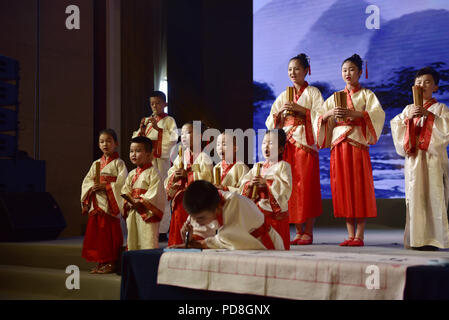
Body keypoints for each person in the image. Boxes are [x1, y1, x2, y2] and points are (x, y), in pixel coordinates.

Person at [316, 54, 385, 247]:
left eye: (352, 69)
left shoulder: (366, 95)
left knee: (359, 188)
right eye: (345, 70)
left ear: (360, 73)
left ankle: (360, 235)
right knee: (343, 188)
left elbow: (377, 115)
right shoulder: (335, 97)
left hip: (356, 144)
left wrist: (355, 114)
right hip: (339, 146)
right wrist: (330, 114)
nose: (348, 73)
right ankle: (349, 234)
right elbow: (320, 118)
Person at [266, 53, 323, 245]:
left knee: (306, 187)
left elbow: (321, 116)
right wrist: (280, 114)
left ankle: (308, 231)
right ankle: (297, 230)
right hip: (288, 144)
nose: (293, 72)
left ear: (306, 71)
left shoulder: (313, 92)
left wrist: (303, 111)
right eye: (290, 69)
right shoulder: (284, 95)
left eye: (297, 68)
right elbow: (271, 120)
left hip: (305, 143)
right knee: (290, 187)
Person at [390, 67, 449, 250]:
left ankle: (436, 239)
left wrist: (429, 117)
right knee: (415, 198)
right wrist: (408, 120)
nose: (422, 85)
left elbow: (445, 131)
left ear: (436, 87)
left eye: (427, 82)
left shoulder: (441, 108)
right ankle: (417, 239)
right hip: (415, 161)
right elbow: (396, 126)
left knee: (435, 196)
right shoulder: (408, 109)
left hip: (433, 160)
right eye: (418, 82)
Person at [172, 180, 284, 250]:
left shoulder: (234, 201)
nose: (196, 222)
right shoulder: (205, 204)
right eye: (193, 218)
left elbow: (231, 237)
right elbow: (200, 232)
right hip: (245, 245)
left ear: (217, 209)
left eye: (200, 218)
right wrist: (191, 239)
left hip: (262, 243)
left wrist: (199, 244)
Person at [132, 91, 178, 239]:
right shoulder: (147, 120)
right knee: (146, 191)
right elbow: (138, 140)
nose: (155, 106)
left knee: (161, 192)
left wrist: (158, 130)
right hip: (148, 161)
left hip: (161, 161)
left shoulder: (169, 120)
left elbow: (173, 139)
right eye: (152, 103)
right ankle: (146, 223)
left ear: (165, 104)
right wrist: (143, 131)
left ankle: (163, 229)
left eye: (158, 103)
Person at [81, 129, 128, 274]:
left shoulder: (119, 164)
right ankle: (101, 261)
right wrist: (91, 189)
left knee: (110, 233)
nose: (105, 144)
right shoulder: (96, 163)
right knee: (98, 234)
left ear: (116, 144)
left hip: (110, 204)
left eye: (109, 141)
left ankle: (112, 262)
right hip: (97, 202)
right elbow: (86, 181)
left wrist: (107, 186)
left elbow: (122, 184)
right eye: (102, 141)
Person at [240, 129, 292, 250]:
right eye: (264, 143)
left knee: (274, 244)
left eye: (271, 143)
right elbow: (244, 182)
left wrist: (267, 183)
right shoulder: (258, 166)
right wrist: (250, 184)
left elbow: (286, 187)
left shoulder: (283, 166)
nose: (266, 146)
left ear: (280, 149)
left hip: (272, 210)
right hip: (258, 208)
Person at [165, 121, 214, 246]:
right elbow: (170, 175)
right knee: (177, 230)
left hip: (195, 202)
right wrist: (175, 177)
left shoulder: (204, 157)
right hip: (180, 201)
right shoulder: (180, 158)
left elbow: (206, 178)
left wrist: (188, 176)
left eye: (189, 133)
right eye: (183, 134)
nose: (184, 136)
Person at [121, 136, 166, 250]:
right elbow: (125, 190)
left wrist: (140, 201)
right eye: (131, 151)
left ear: (149, 154)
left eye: (138, 151)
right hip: (133, 211)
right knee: (133, 242)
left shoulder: (154, 173)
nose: (134, 154)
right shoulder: (131, 174)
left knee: (147, 241)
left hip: (146, 214)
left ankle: (148, 266)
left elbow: (155, 194)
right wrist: (129, 201)